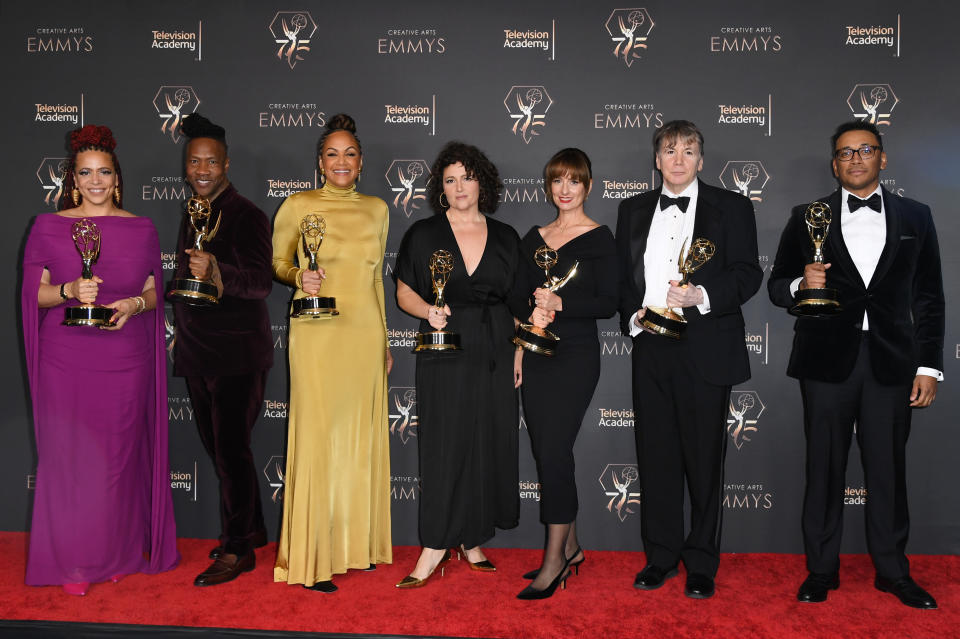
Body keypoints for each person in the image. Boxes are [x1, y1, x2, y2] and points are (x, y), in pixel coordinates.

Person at [768, 121, 944, 609]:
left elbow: (929, 298)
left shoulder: (917, 216)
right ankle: (821, 571)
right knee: (823, 468)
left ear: (882, 158)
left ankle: (893, 572)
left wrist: (929, 367)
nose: (856, 159)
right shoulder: (808, 216)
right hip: (825, 361)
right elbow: (776, 284)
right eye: (845, 153)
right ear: (834, 164)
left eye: (865, 150)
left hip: (892, 361)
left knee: (888, 470)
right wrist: (801, 285)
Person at [20, 124, 179, 595]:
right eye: (85, 173)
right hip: (65, 361)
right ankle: (73, 561)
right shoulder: (48, 226)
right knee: (71, 460)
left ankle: (117, 553)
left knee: (116, 461)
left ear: (117, 177)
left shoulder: (141, 228)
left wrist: (134, 305)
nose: (95, 181)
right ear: (72, 179)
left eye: (103, 172)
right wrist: (69, 290)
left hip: (125, 358)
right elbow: (36, 293)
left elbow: (155, 291)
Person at [615, 120, 761, 599]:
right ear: (656, 159)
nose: (678, 158)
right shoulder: (631, 209)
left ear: (701, 159)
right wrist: (633, 320)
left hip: (706, 348)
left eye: (689, 150)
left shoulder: (732, 207)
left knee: (703, 461)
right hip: (651, 347)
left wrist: (701, 294)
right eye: (669, 149)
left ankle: (701, 562)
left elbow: (747, 275)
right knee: (655, 458)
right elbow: (623, 279)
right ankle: (660, 557)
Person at [272, 114, 392, 593]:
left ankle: (353, 548)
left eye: (349, 154)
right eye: (331, 154)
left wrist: (384, 339)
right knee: (318, 438)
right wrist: (299, 276)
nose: (341, 162)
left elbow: (376, 279)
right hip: (316, 331)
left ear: (361, 163)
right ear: (319, 162)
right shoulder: (297, 205)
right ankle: (310, 558)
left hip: (363, 333)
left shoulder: (378, 209)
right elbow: (278, 262)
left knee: (357, 439)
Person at [394, 141, 520, 587]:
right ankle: (434, 545)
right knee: (444, 444)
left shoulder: (506, 236)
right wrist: (427, 310)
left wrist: (520, 349)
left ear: (482, 181)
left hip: (495, 347)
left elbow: (518, 300)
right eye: (450, 179)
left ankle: (471, 538)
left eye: (467, 177)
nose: (459, 186)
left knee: (485, 440)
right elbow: (403, 291)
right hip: (443, 347)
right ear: (440, 188)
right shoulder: (423, 235)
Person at [170, 113, 274, 587]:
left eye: (212, 161)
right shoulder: (191, 212)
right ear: (186, 166)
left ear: (227, 163)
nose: (204, 169)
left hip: (237, 357)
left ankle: (237, 551)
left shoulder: (248, 215)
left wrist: (218, 273)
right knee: (221, 450)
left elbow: (259, 284)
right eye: (195, 161)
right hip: (197, 352)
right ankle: (251, 531)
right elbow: (183, 281)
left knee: (231, 452)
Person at [510, 148, 617, 599]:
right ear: (549, 186)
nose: (565, 189)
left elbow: (610, 302)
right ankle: (571, 548)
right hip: (535, 352)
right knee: (544, 449)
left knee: (554, 451)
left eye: (574, 181)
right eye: (557, 181)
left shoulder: (600, 238)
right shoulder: (532, 237)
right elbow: (515, 297)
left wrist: (561, 304)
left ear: (588, 187)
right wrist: (521, 342)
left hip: (575, 355)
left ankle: (553, 560)